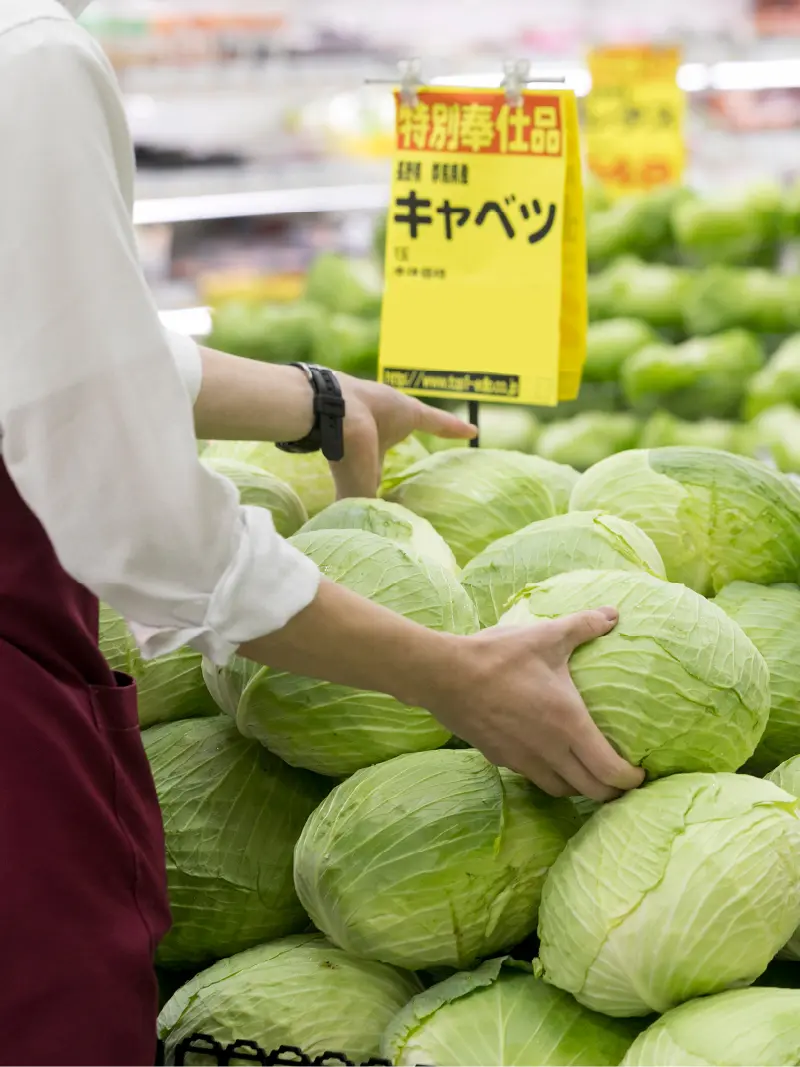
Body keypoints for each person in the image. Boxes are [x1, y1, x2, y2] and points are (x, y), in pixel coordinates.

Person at [0, 1, 644, 1063]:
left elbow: (53, 345)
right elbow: (141, 520)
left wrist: (316, 401)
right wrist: (445, 670)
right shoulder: (28, 54)